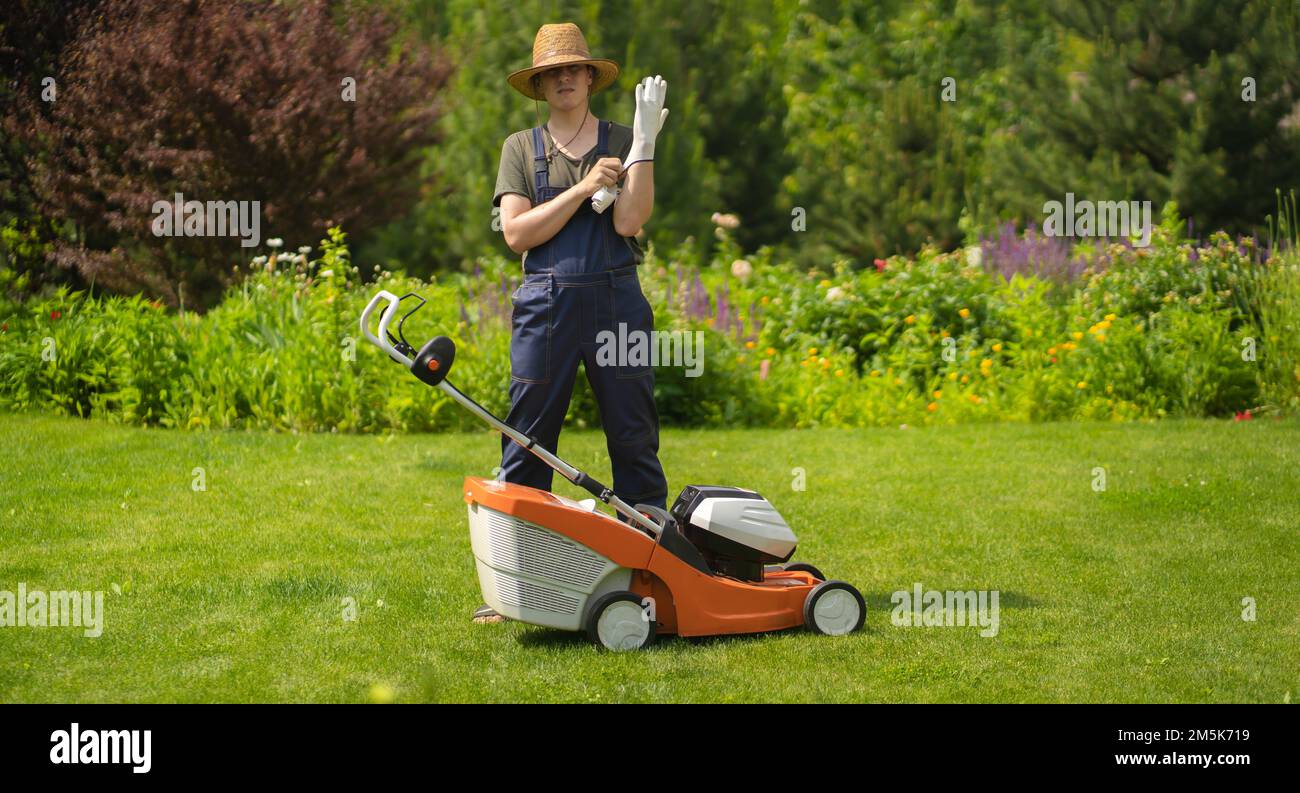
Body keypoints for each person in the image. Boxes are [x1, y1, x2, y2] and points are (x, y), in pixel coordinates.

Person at [475, 23, 670, 623]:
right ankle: (519, 590)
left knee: (633, 436)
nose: (563, 78)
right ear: (540, 85)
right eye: (550, 73)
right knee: (527, 440)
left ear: (590, 77)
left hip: (618, 301)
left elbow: (630, 221)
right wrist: (584, 185)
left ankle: (652, 582)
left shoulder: (620, 137)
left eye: (573, 69)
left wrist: (644, 142)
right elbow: (517, 234)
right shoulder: (520, 148)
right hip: (546, 305)